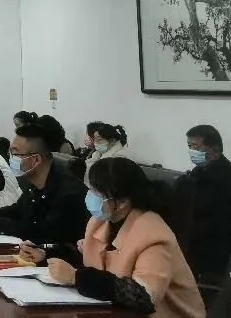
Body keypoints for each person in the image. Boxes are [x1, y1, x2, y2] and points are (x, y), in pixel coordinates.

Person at [21, 158, 205, 317]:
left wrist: (76, 277)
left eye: (96, 192)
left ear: (122, 202)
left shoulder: (153, 234)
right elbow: (93, 261)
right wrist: (45, 254)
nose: (90, 196)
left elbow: (143, 297)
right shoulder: (101, 221)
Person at [0, 123, 88, 244]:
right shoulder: (34, 183)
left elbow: (44, 233)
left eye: (16, 154)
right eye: (10, 153)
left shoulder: (69, 192)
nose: (11, 158)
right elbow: (17, 211)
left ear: (36, 159)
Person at [186, 124, 231, 282]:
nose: (191, 151)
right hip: (192, 247)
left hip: (212, 256)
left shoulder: (226, 177)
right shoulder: (197, 172)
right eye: (189, 146)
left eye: (195, 146)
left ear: (214, 148)